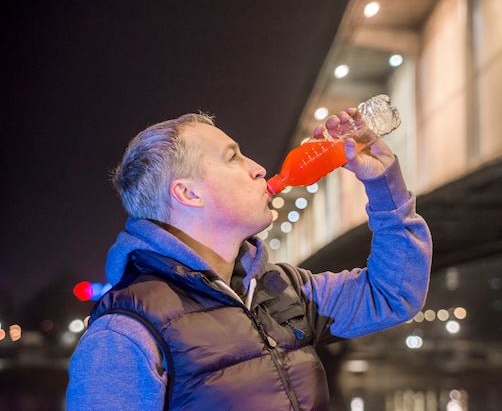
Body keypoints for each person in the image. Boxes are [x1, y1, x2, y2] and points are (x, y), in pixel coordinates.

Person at [66, 106, 432, 410]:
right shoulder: (125, 333)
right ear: (188, 193)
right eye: (233, 157)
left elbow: (392, 296)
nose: (257, 167)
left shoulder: (283, 290)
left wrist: (384, 184)